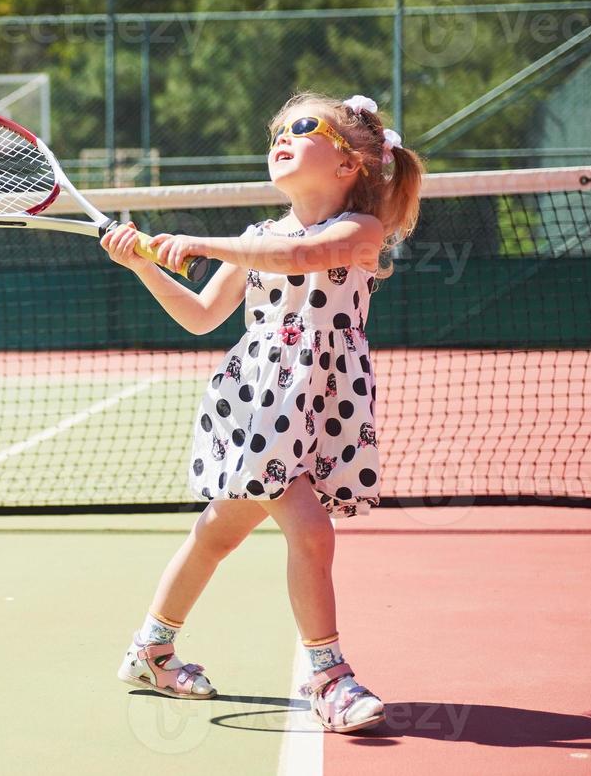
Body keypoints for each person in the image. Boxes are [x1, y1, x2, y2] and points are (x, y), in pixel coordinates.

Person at [100, 92, 423, 733]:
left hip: (324, 399)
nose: (282, 135)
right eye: (278, 128)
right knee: (311, 531)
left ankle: (150, 651)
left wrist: (200, 241)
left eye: (303, 128)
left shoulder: (360, 231)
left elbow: (300, 258)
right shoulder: (253, 237)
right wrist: (142, 263)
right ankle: (329, 678)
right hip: (261, 400)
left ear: (350, 162)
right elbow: (199, 316)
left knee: (218, 533)